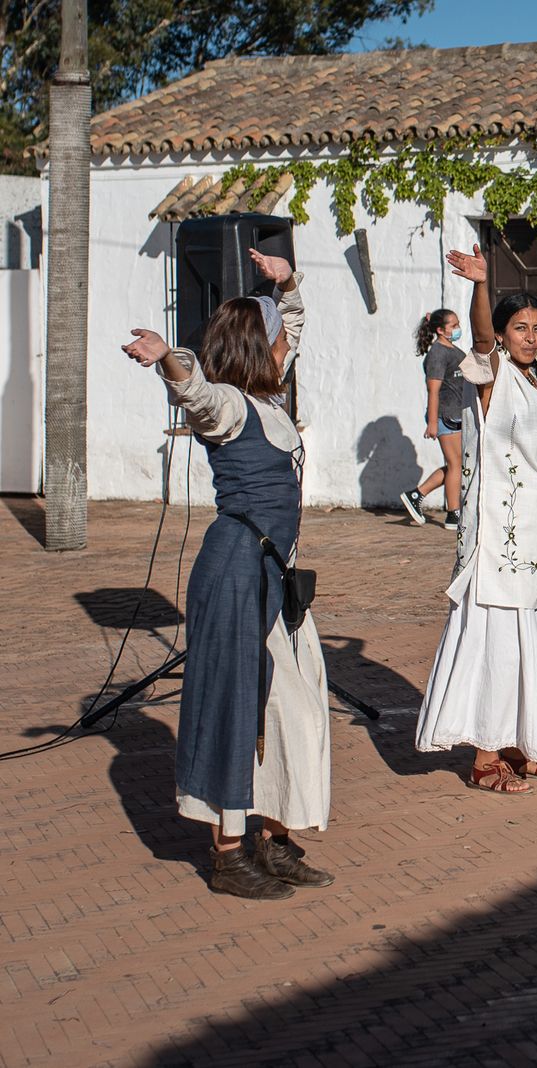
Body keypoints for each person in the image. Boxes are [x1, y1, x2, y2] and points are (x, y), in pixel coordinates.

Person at [121, 250, 334, 900]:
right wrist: (166, 358)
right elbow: (195, 390)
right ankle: (229, 853)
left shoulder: (270, 397)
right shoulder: (234, 408)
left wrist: (286, 283)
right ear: (252, 346)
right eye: (271, 337)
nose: (283, 344)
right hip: (238, 568)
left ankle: (274, 837)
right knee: (236, 704)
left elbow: (294, 324)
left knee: (294, 706)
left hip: (275, 572)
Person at [414, 239, 537, 794]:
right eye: (522, 328)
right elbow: (483, 333)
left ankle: (523, 745)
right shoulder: (490, 374)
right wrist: (481, 284)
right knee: (497, 641)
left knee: (534, 640)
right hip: (500, 540)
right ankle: (486, 757)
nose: (533, 336)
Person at [402, 308, 467, 530]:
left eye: (458, 324)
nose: (458, 329)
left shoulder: (453, 350)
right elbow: (433, 390)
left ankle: (416, 494)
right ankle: (453, 514)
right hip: (445, 417)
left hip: (458, 415)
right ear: (440, 330)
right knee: (456, 464)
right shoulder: (438, 353)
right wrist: (432, 423)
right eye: (454, 326)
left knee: (457, 464)